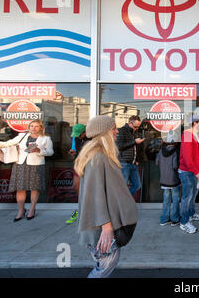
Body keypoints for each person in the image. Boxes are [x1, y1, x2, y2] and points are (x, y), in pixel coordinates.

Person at [75, 115, 138, 278]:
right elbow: (96, 196)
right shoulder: (98, 157)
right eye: (113, 128)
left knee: (103, 266)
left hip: (101, 225)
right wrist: (107, 227)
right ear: (104, 132)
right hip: (102, 228)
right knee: (103, 269)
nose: (117, 131)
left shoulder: (100, 155)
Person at [0, 120, 53, 222]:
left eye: (36, 126)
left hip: (36, 165)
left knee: (34, 188)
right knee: (20, 188)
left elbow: (50, 152)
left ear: (41, 128)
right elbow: (8, 143)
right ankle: (21, 210)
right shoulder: (22, 136)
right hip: (20, 164)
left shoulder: (46, 138)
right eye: (32, 126)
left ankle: (32, 209)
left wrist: (40, 151)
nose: (33, 128)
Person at [178, 116, 199, 234]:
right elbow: (187, 157)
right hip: (187, 172)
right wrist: (196, 172)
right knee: (187, 197)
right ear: (195, 123)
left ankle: (190, 214)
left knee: (192, 195)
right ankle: (184, 223)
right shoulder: (188, 135)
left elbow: (194, 156)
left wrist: (197, 170)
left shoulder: (195, 135)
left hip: (193, 171)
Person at [66, 123, 90, 224]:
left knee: (90, 188)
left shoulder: (91, 139)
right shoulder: (75, 138)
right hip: (78, 164)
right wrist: (72, 151)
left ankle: (85, 210)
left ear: (84, 132)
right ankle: (82, 208)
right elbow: (74, 149)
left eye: (79, 134)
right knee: (76, 185)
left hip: (89, 165)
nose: (78, 136)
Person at [156, 131, 181, 227]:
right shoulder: (175, 151)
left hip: (164, 180)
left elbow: (157, 162)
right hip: (174, 180)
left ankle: (164, 219)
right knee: (175, 199)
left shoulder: (161, 150)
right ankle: (175, 219)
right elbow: (175, 166)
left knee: (166, 199)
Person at [116, 115, 145, 196]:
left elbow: (137, 149)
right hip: (124, 163)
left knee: (137, 185)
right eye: (136, 126)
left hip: (133, 163)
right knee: (122, 186)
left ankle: (125, 201)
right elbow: (119, 146)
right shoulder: (121, 131)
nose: (137, 128)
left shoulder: (136, 132)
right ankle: (121, 205)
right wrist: (134, 142)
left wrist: (138, 160)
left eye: (138, 127)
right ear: (130, 123)